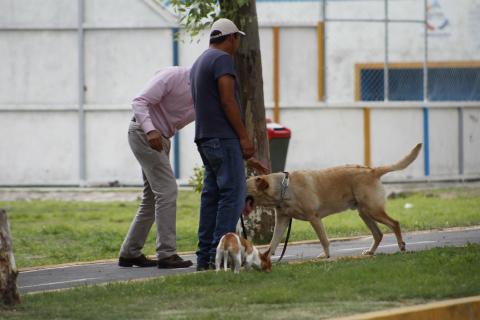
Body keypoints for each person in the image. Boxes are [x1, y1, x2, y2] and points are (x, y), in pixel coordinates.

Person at [190, 18, 268, 271]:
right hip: (224, 137)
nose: (237, 44)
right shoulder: (223, 60)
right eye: (237, 39)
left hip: (205, 138)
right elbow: (227, 100)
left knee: (211, 197)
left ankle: (204, 257)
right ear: (231, 38)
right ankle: (217, 257)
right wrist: (244, 137)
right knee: (232, 197)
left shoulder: (200, 61)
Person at [118, 66, 194, 269]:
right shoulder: (174, 75)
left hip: (161, 139)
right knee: (168, 191)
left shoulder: (205, 92)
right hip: (145, 134)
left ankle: (130, 253)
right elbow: (139, 101)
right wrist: (151, 131)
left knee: (152, 197)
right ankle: (167, 254)